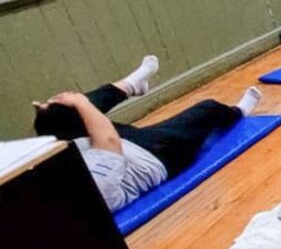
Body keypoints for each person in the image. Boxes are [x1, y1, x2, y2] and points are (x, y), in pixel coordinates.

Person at [31, 55, 262, 212]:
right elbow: (109, 141)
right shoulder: (96, 191)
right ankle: (238, 112)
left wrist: (51, 113)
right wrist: (81, 102)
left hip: (107, 144)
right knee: (208, 108)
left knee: (56, 114)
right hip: (156, 154)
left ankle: (132, 85)